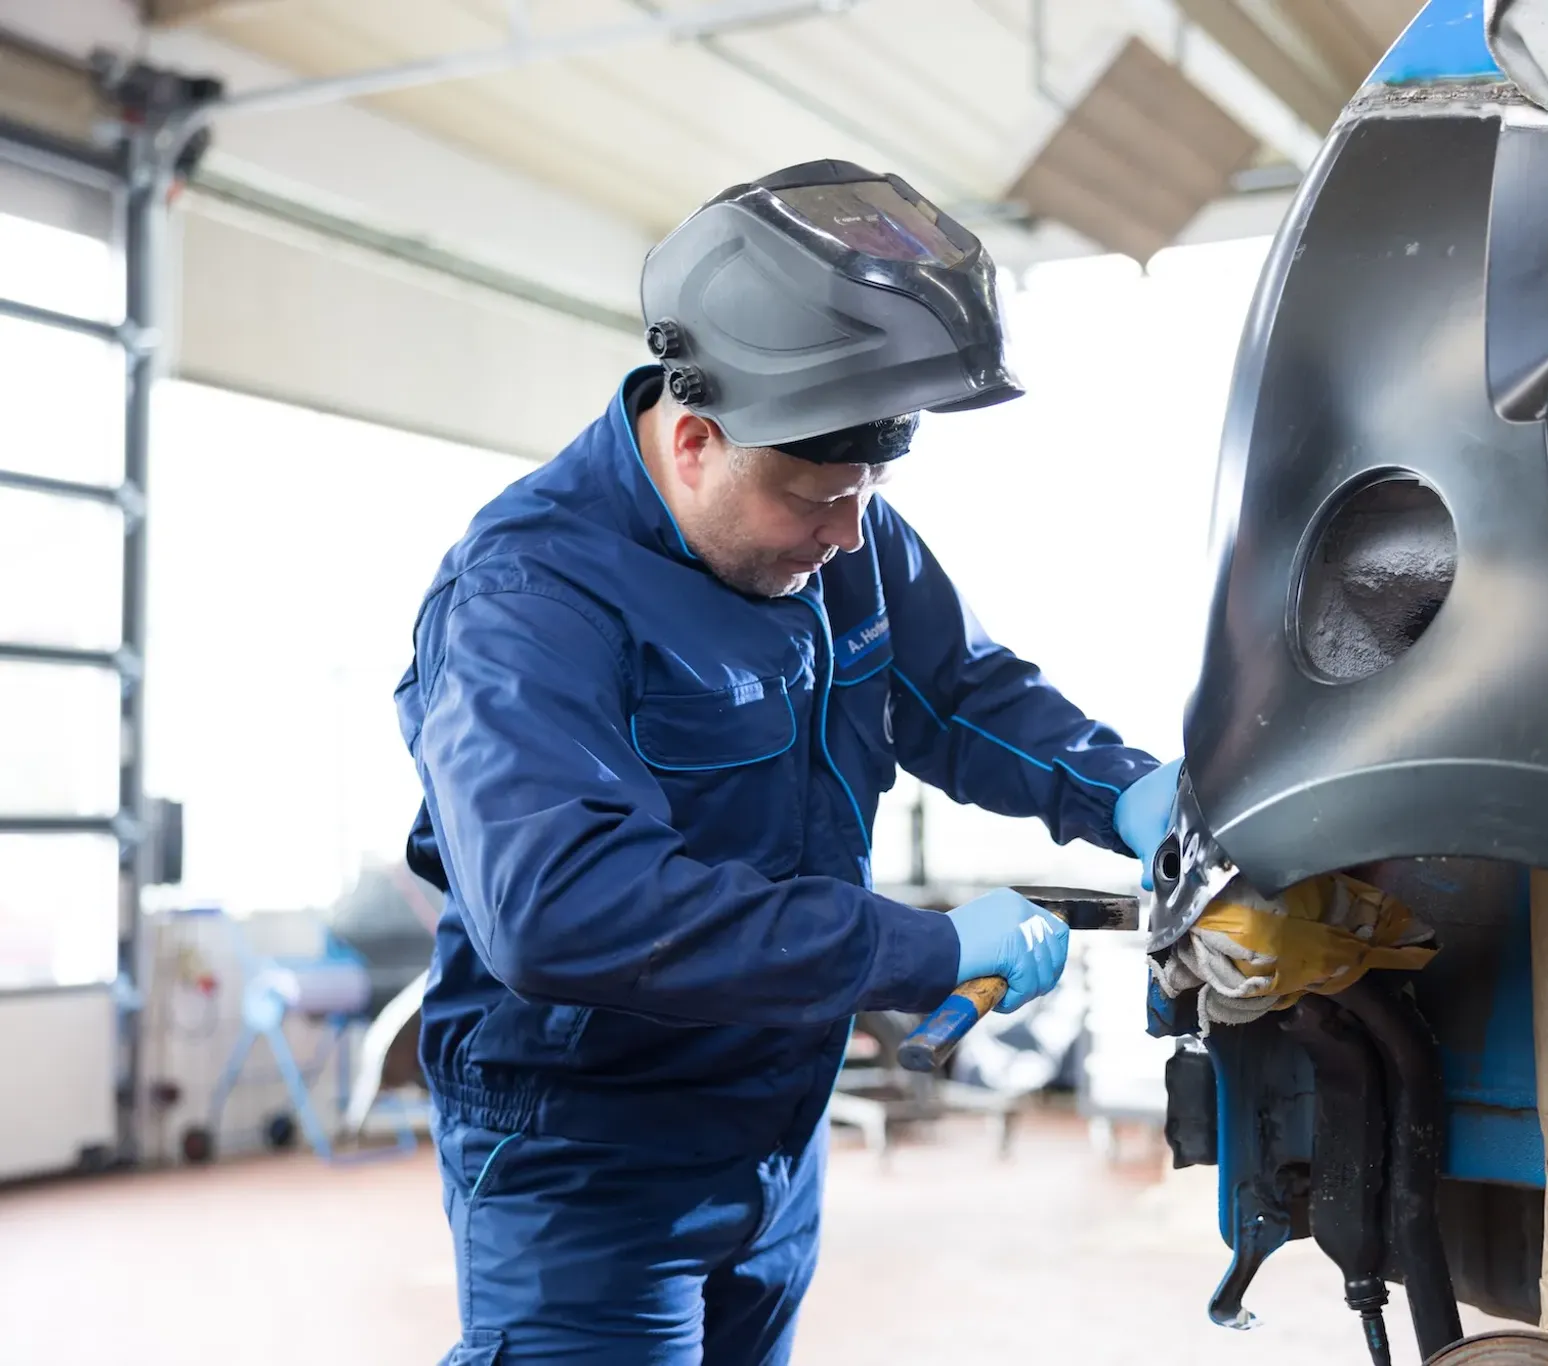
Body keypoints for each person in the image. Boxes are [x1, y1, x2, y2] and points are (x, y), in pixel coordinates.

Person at [395, 159, 1184, 1366]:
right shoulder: (527, 596)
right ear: (698, 439)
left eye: (869, 488)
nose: (848, 532)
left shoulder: (835, 529)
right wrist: (917, 951)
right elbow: (559, 907)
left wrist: (1121, 788)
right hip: (588, 1148)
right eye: (818, 497)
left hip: (774, 1121)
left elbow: (960, 693)